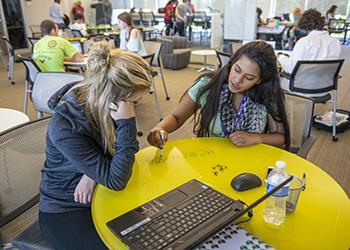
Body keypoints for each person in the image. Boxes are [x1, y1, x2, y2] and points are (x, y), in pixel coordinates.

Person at [38, 41, 152, 249]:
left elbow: (114, 158)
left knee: (150, 235)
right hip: (65, 207)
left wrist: (92, 172)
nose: (134, 108)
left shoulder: (100, 101)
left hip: (100, 192)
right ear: (113, 99)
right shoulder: (65, 127)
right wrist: (126, 123)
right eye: (133, 102)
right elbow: (116, 179)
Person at [148, 41, 290, 150]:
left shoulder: (267, 94)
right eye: (237, 70)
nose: (237, 80)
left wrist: (257, 138)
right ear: (232, 63)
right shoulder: (208, 84)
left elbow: (280, 137)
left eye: (249, 78)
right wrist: (160, 128)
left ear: (260, 80)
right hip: (210, 157)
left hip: (250, 160)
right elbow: (177, 117)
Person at [278, 9, 341, 97]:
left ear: (304, 24)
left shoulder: (304, 42)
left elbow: (291, 69)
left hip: (301, 88)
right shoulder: (336, 42)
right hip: (325, 88)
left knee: (274, 79)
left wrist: (280, 57)